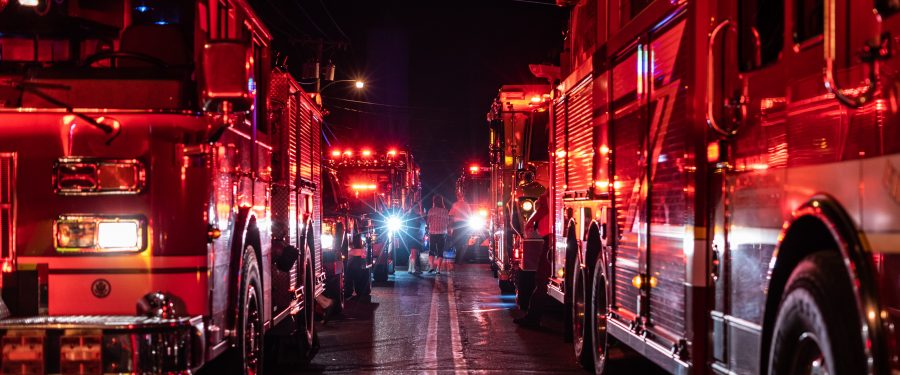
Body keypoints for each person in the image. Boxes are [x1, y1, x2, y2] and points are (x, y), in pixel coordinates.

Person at [513, 177, 552, 327]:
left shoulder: (550, 190)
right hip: (552, 237)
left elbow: (543, 208)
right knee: (542, 278)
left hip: (550, 238)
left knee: (541, 278)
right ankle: (533, 316)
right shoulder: (551, 189)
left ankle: (533, 318)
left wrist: (530, 221)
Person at [425, 195, 450, 274]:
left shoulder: (431, 210)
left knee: (431, 250)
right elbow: (447, 222)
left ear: (434, 202)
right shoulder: (445, 211)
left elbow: (427, 222)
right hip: (442, 233)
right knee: (440, 251)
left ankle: (431, 267)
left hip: (433, 232)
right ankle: (438, 269)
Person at [448, 190, 472, 264]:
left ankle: (458, 258)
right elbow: (470, 216)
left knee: (457, 241)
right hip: (465, 225)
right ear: (463, 197)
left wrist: (450, 226)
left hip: (457, 225)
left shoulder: (455, 205)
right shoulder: (467, 205)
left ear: (457, 197)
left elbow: (451, 216)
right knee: (463, 242)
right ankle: (461, 258)